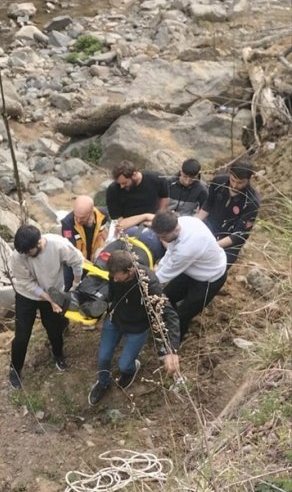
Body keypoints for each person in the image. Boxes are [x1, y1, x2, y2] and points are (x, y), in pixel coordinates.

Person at [87, 248, 181, 406]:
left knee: (124, 366)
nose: (114, 280)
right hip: (115, 320)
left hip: (137, 327)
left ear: (130, 270)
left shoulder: (149, 284)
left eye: (118, 277)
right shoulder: (114, 273)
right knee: (103, 358)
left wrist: (172, 350)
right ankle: (103, 383)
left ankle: (131, 369)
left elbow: (170, 314)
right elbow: (112, 293)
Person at [8, 224, 83, 389]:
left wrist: (75, 284)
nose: (26, 255)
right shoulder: (17, 256)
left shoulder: (59, 245)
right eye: (23, 253)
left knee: (54, 330)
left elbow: (77, 261)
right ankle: (15, 368)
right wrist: (50, 300)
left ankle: (58, 355)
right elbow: (26, 282)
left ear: (38, 243)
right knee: (22, 335)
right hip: (26, 295)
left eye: (29, 252)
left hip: (54, 290)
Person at [151, 211, 227, 341]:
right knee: (166, 297)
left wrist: (145, 281)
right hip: (191, 269)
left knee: (183, 315)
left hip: (210, 278)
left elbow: (164, 275)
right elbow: (170, 251)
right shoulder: (184, 221)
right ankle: (164, 325)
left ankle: (173, 342)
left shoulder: (186, 249)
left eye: (163, 236)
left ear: (174, 230)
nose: (161, 239)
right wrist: (156, 270)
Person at [197, 157, 261, 268]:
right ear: (229, 174)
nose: (235, 186)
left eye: (240, 183)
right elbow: (208, 204)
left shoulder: (251, 201)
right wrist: (195, 223)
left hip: (229, 244)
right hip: (209, 230)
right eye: (232, 180)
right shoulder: (218, 182)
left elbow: (239, 235)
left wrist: (213, 247)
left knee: (215, 274)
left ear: (248, 179)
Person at [105, 163, 169, 233]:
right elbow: (119, 224)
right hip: (129, 227)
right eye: (119, 183)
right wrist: (145, 217)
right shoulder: (113, 190)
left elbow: (164, 197)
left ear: (134, 175)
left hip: (153, 222)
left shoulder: (156, 179)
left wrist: (157, 218)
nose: (121, 187)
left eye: (125, 183)